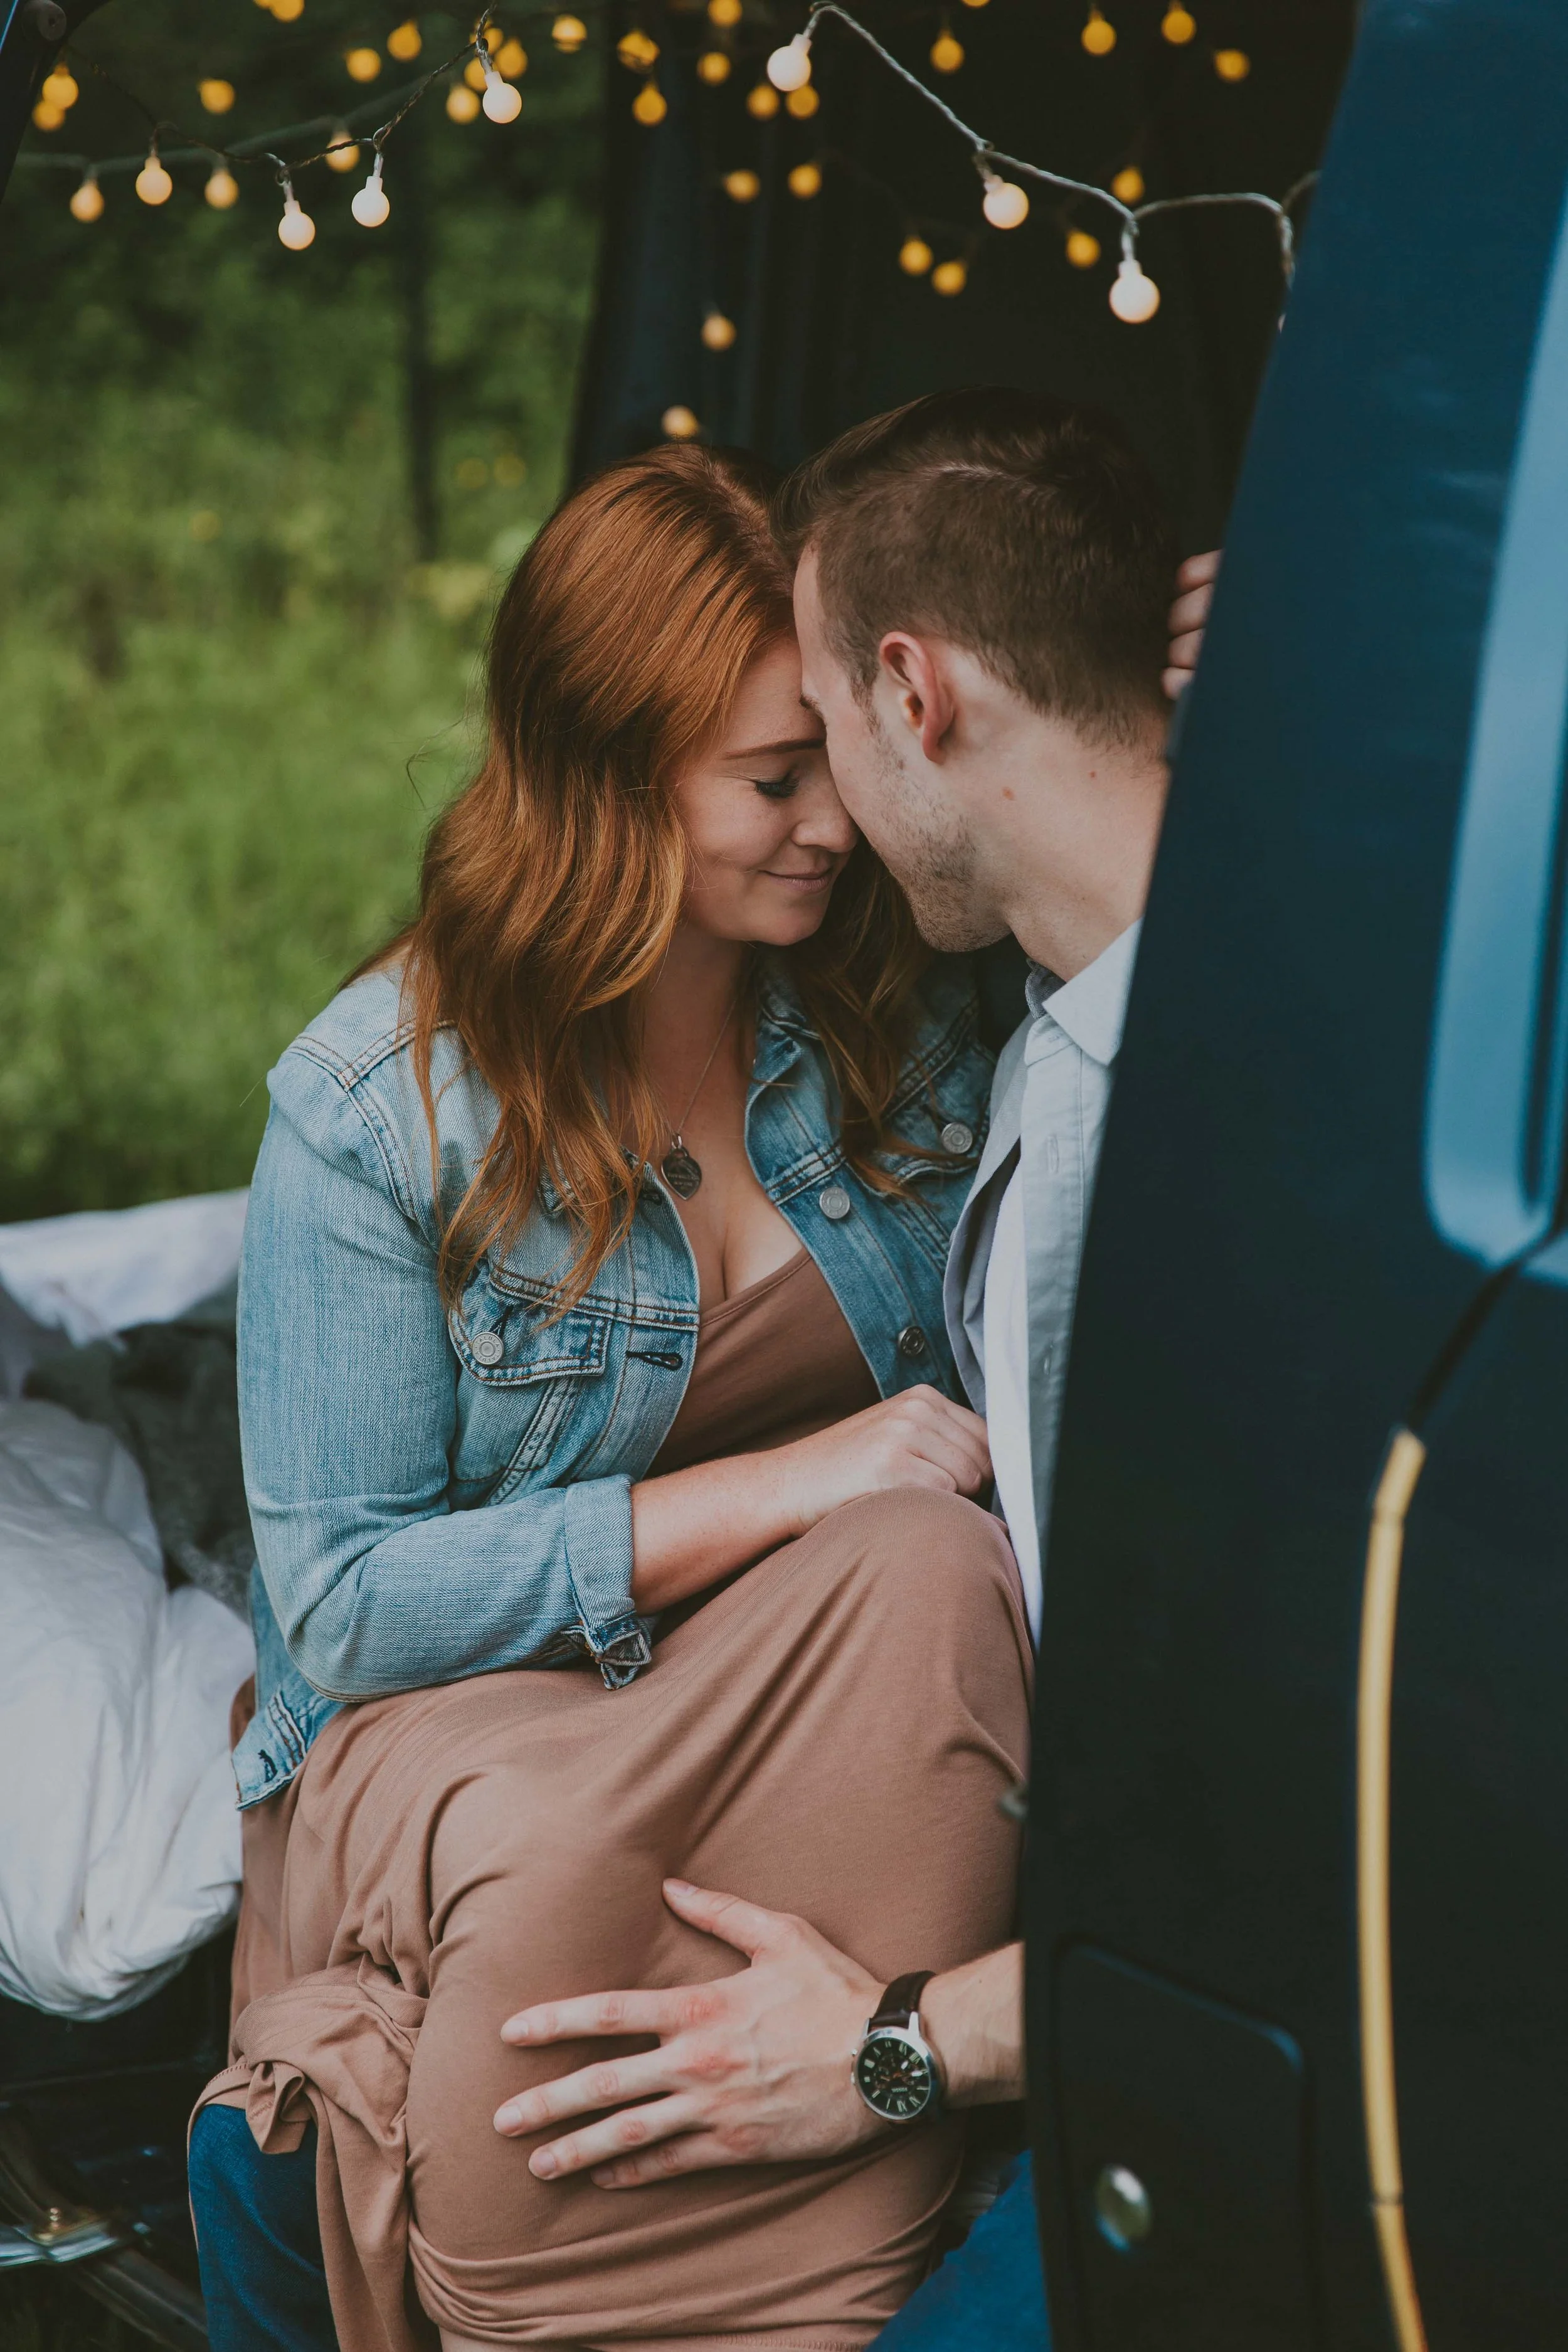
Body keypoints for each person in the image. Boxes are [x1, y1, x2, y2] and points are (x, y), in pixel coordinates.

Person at [187, 410, 1215, 2352]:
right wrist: (784, 1482)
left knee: (924, 1572)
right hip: (528, 1764)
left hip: (847, 1742)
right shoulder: (376, 1109)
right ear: (604, 774)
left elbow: (1086, 844)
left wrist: (1210, 676)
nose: (828, 818)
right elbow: (341, 1602)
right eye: (768, 778)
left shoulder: (895, 999)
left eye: (829, 754)